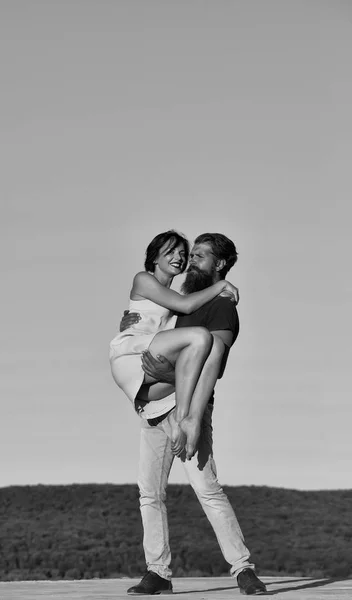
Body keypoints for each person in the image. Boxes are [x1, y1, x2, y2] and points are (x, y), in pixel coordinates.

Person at [119, 232, 267, 596]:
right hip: (156, 408)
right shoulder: (182, 302)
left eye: (200, 256)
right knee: (149, 493)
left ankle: (242, 569)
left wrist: (193, 419)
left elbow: (210, 363)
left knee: (207, 488)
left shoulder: (222, 309)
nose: (190, 261)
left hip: (190, 410)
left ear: (220, 264)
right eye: (190, 254)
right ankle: (158, 572)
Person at [109, 230, 239, 459]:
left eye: (183, 253)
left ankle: (190, 419)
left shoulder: (173, 301)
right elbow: (185, 305)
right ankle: (183, 419)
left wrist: (170, 374)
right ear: (154, 257)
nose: (182, 258)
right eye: (170, 252)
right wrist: (222, 286)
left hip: (152, 376)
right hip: (133, 357)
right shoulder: (144, 279)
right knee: (200, 336)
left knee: (215, 346)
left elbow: (172, 318)